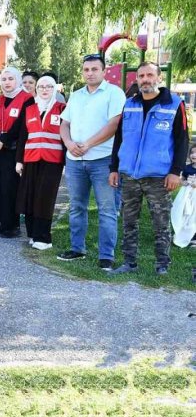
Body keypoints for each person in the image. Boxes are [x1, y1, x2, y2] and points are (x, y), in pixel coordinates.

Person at [109, 62, 189, 275]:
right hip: (130, 174)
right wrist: (114, 168)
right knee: (128, 221)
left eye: (149, 75)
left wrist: (175, 171)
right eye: (141, 76)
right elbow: (119, 138)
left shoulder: (173, 104)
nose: (145, 79)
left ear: (158, 78)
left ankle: (162, 265)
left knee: (160, 222)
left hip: (159, 176)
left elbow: (182, 141)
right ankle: (129, 262)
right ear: (137, 80)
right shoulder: (130, 104)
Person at [57, 54, 126, 269]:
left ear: (103, 71)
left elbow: (114, 125)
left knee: (107, 209)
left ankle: (107, 255)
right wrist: (68, 143)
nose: (90, 73)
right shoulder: (76, 95)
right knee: (77, 206)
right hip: (75, 160)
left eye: (94, 69)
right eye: (86, 69)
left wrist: (87, 144)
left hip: (102, 160)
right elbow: (64, 124)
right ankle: (77, 249)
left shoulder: (114, 93)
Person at [15, 75, 66, 250]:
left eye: (49, 87)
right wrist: (19, 161)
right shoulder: (29, 108)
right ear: (37, 89)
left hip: (52, 161)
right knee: (29, 197)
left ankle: (44, 238)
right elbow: (22, 136)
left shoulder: (62, 108)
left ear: (54, 90)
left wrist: (67, 161)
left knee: (45, 199)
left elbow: (66, 135)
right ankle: (32, 234)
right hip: (31, 159)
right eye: (41, 87)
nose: (45, 90)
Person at [0, 67, 34, 238]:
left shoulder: (27, 99)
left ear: (17, 80)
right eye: (4, 79)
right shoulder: (0, 99)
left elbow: (23, 124)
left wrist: (4, 139)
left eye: (10, 79)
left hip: (13, 149)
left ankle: (13, 225)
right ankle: (2, 222)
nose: (7, 83)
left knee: (10, 187)